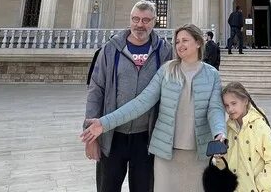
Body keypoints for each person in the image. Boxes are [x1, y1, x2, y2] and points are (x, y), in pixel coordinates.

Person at [82, 24, 226, 192]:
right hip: (166, 152)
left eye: (185, 40)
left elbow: (215, 109)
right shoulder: (167, 70)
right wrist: (104, 123)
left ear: (198, 43)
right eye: (177, 41)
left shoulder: (212, 74)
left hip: (198, 153)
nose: (180, 45)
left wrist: (219, 132)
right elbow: (141, 103)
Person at [84, 0, 173, 192]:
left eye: (146, 20)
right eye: (136, 19)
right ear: (130, 19)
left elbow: (171, 95)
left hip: (146, 138)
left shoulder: (164, 51)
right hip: (112, 135)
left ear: (154, 22)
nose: (140, 24)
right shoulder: (110, 49)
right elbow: (96, 90)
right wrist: (91, 138)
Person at [214, 81, 271, 192]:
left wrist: (259, 186)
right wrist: (219, 158)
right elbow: (225, 165)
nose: (230, 109)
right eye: (226, 105)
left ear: (245, 101)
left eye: (234, 103)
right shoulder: (228, 129)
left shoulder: (260, 126)